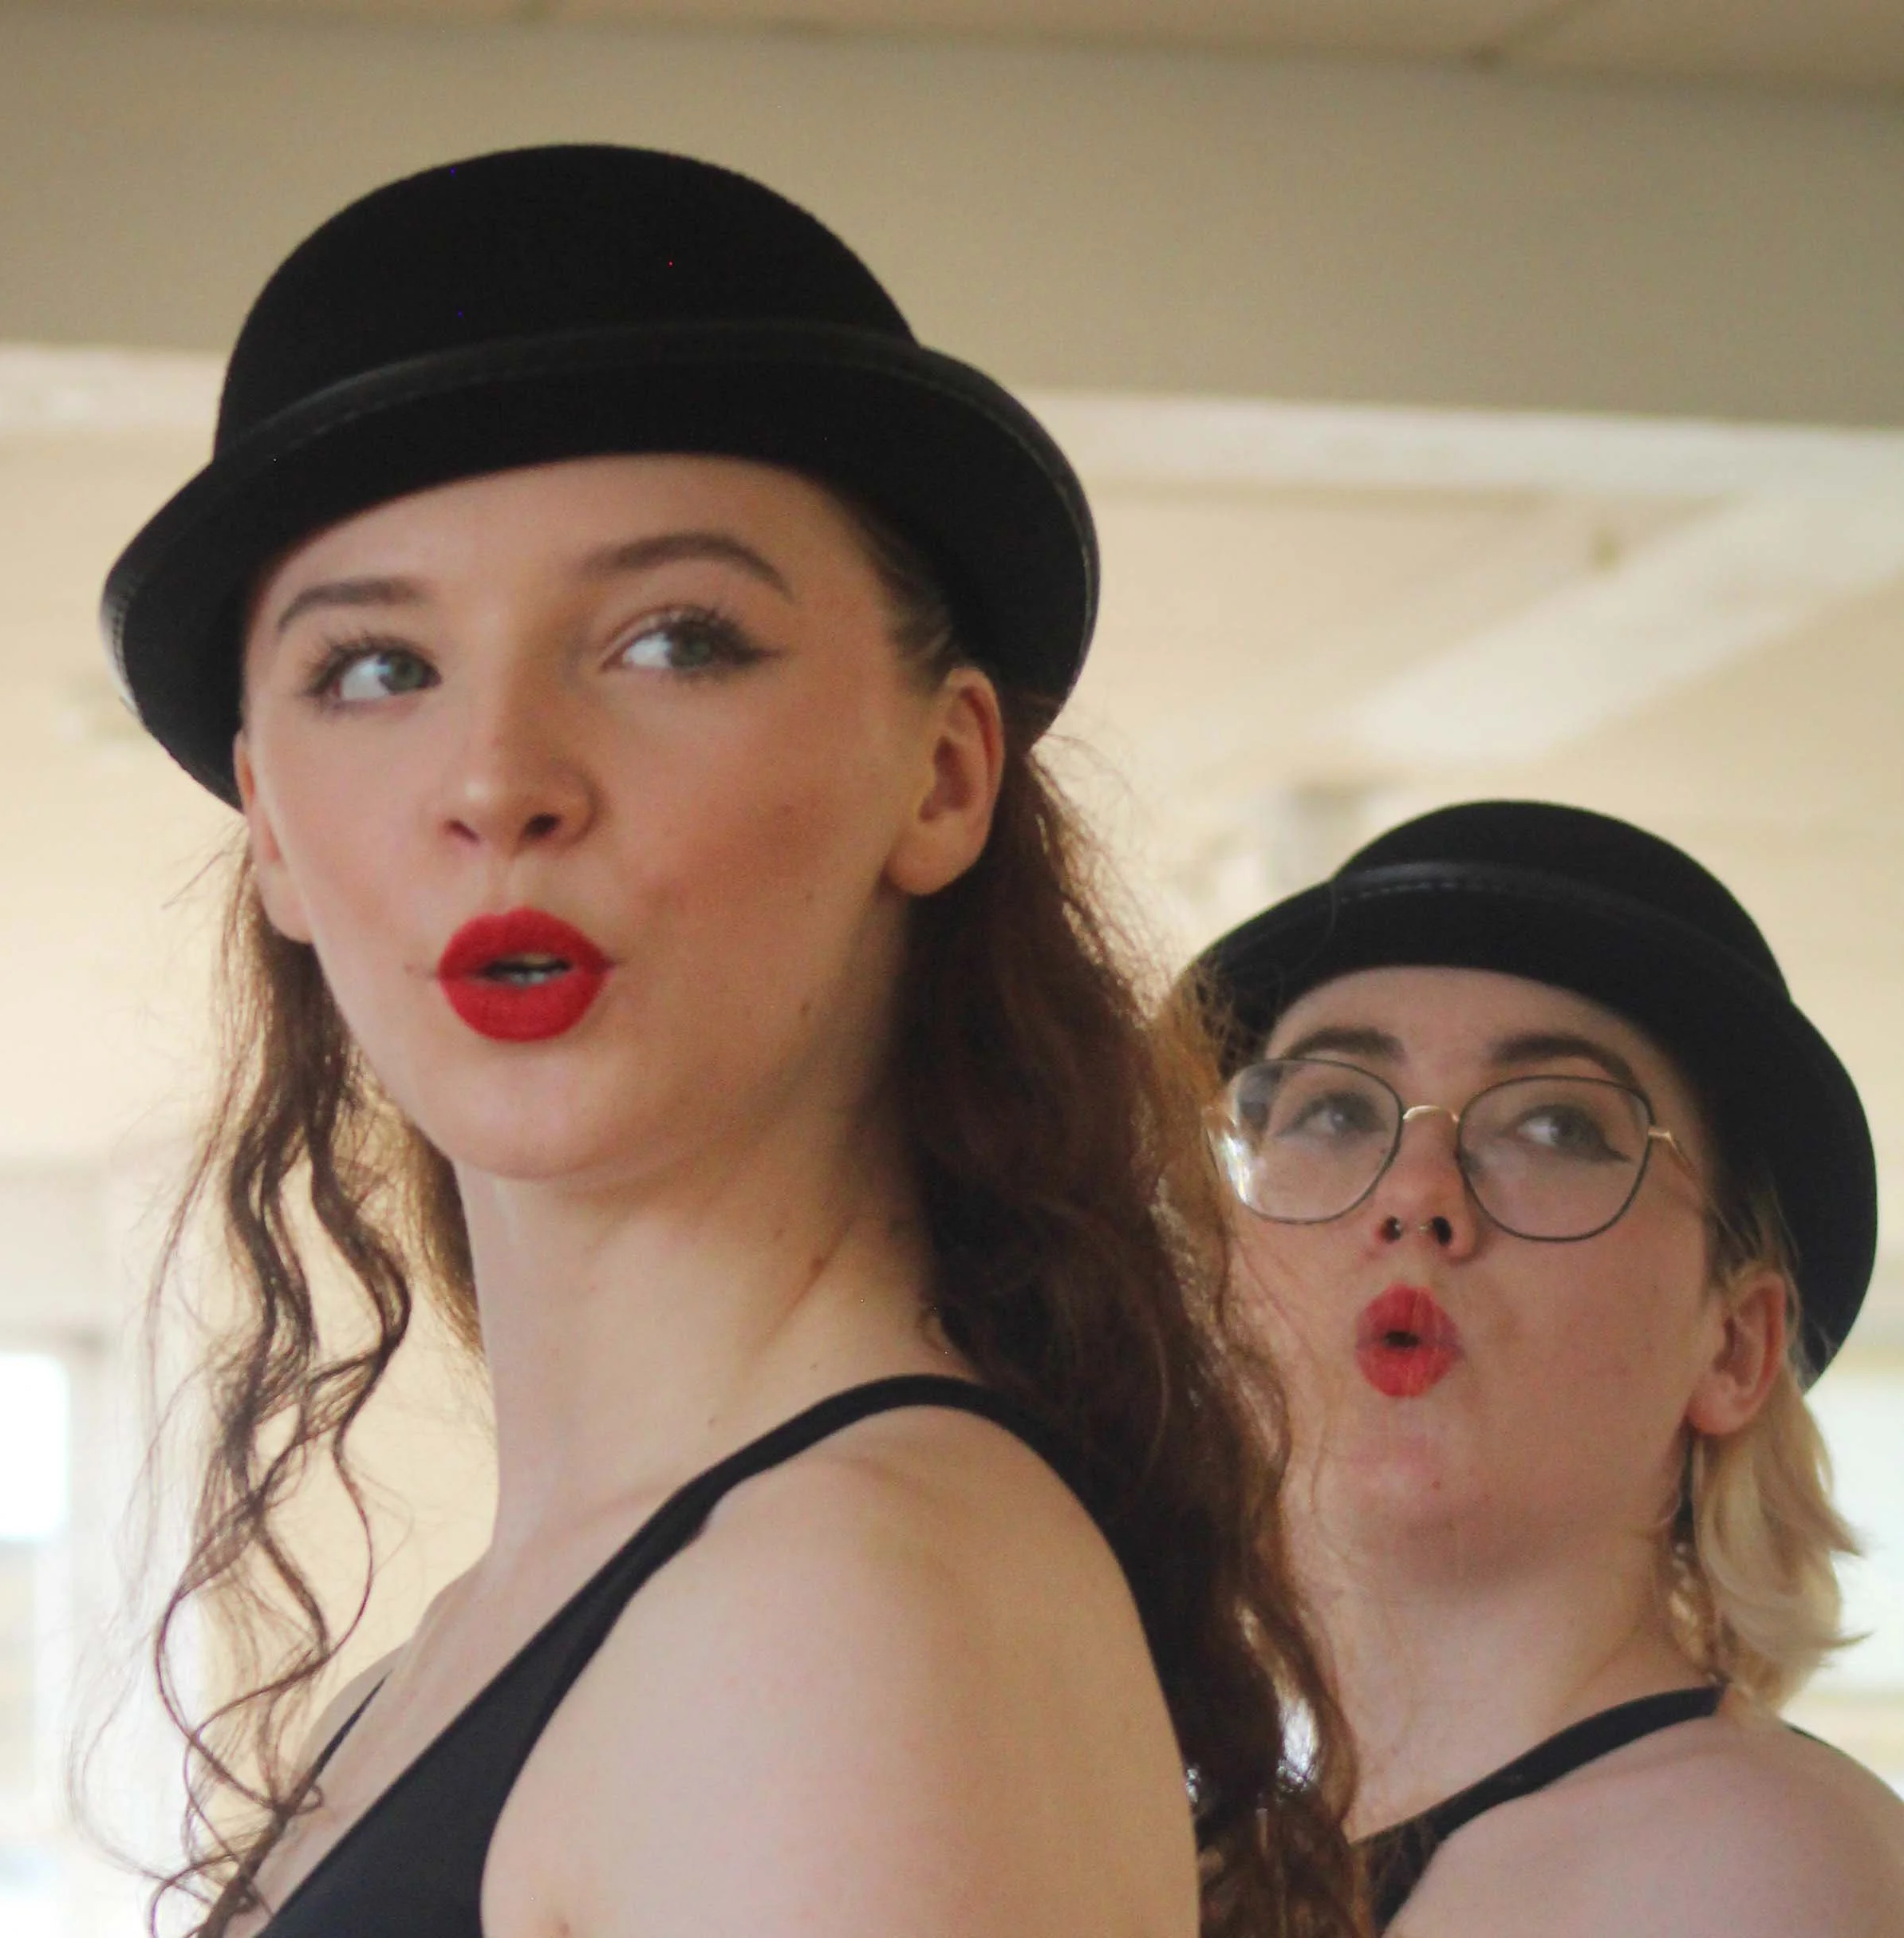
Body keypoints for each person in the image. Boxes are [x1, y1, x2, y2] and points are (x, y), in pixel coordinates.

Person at [101, 146, 1358, 1938]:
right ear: (273, 828)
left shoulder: (840, 1611)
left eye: (671, 639)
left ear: (942, 774)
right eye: (376, 667)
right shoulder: (518, 1632)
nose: (497, 781)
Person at [1189, 799, 1904, 1935]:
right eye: (1331, 1112)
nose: (1414, 1190)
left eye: (1556, 1126)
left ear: (1734, 1347)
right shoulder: (1183, 1841)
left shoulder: (1750, 1862)